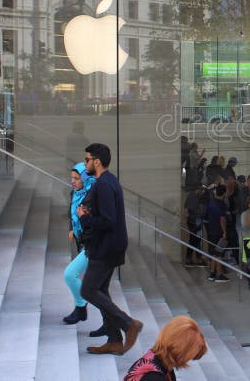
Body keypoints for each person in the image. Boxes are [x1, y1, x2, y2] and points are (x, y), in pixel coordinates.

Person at [77, 143, 143, 355]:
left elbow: (108, 221)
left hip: (106, 247)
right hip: (110, 245)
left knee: (87, 289)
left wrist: (85, 218)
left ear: (96, 161)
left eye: (87, 160)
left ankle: (129, 323)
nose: (85, 163)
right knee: (101, 290)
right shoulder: (108, 181)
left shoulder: (103, 185)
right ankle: (114, 340)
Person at [123, 316, 208, 381]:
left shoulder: (155, 359)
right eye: (188, 357)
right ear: (179, 352)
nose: (186, 361)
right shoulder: (154, 377)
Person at [62, 162, 96, 324]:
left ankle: (81, 307)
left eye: (76, 178)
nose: (73, 181)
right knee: (100, 289)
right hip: (84, 242)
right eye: (71, 178)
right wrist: (72, 228)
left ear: (85, 178)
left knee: (70, 274)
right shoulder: (74, 194)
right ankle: (109, 325)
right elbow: (72, 212)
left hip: (93, 245)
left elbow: (92, 222)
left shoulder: (91, 198)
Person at [205, 184, 230, 283]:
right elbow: (222, 219)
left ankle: (212, 274)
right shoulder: (222, 204)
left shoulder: (210, 203)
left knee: (213, 253)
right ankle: (219, 274)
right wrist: (224, 232)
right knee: (219, 253)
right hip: (219, 231)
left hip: (210, 231)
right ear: (224, 193)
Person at [183, 185, 207, 267]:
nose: (202, 191)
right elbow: (187, 210)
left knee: (195, 239)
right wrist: (188, 220)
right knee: (194, 240)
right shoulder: (193, 196)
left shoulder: (193, 196)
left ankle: (194, 258)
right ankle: (192, 259)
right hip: (194, 221)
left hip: (195, 220)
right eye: (201, 190)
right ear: (198, 189)